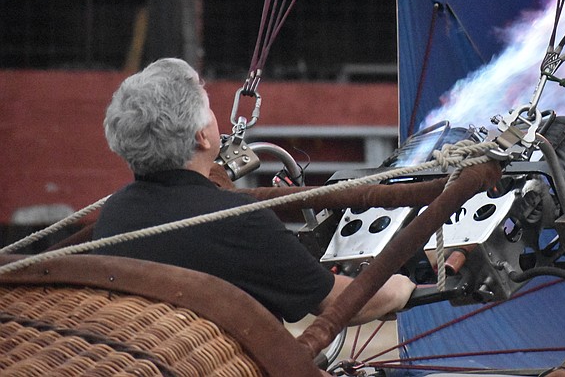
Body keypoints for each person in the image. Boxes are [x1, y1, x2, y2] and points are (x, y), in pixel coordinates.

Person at [93, 57, 415, 324]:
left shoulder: (114, 215)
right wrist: (397, 288)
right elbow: (334, 301)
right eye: (209, 109)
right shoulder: (239, 223)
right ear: (202, 137)